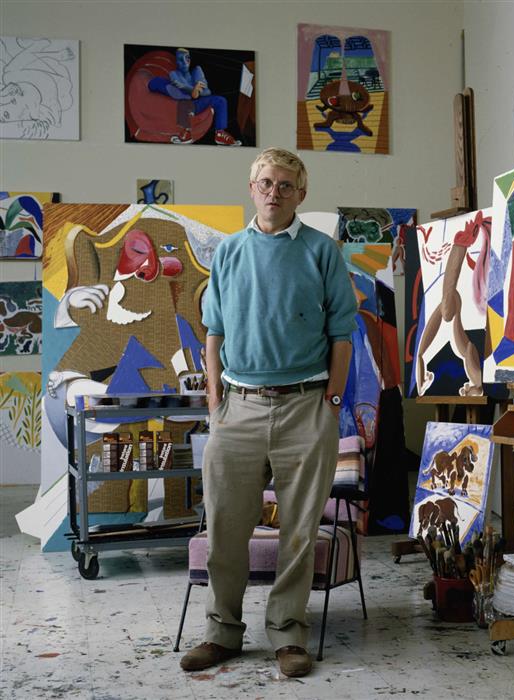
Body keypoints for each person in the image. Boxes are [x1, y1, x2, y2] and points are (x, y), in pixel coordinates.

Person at [180, 147, 357, 677]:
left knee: (299, 532)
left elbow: (342, 336)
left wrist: (330, 404)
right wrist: (215, 404)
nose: (273, 191)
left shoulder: (323, 252)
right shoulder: (228, 253)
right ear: (251, 188)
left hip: (307, 407)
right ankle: (221, 633)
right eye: (265, 182)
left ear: (301, 193)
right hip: (238, 408)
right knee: (226, 527)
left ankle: (287, 635)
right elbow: (213, 333)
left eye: (285, 184)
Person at [148, 48, 241, 146]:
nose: (184, 62)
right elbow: (182, 89)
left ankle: (220, 133)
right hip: (182, 103)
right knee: (184, 100)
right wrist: (194, 90)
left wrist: (196, 89)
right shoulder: (174, 74)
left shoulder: (195, 73)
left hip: (195, 104)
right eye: (181, 59)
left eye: (187, 59)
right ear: (177, 61)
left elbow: (206, 92)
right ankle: (186, 133)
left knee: (221, 100)